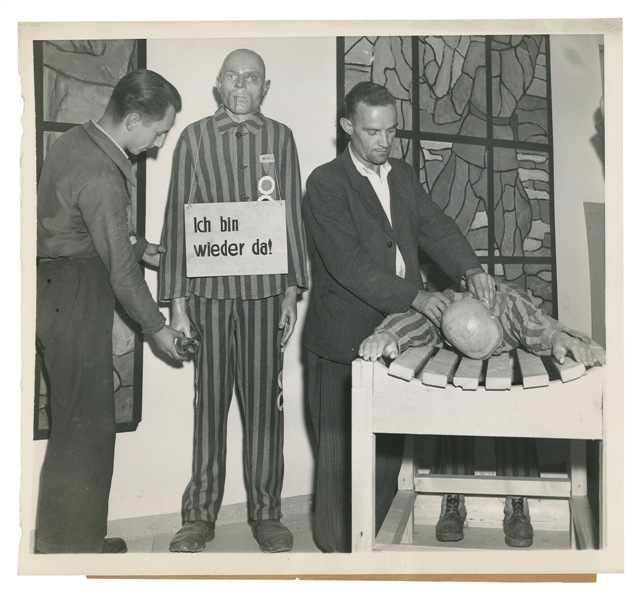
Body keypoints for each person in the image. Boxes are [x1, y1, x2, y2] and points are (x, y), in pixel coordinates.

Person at [302, 81, 496, 553]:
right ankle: (335, 560)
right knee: (337, 458)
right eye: (372, 132)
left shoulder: (404, 176)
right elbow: (347, 264)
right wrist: (415, 297)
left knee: (383, 457)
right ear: (348, 127)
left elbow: (436, 227)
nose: (384, 142)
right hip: (340, 339)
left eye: (391, 131)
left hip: (395, 339)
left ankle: (375, 558)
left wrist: (470, 267)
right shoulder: (325, 183)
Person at [159, 49, 308, 554]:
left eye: (252, 78)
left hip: (267, 296)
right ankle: (198, 515)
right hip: (210, 298)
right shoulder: (194, 138)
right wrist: (177, 305)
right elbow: (179, 221)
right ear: (217, 84)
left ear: (265, 87)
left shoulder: (281, 138)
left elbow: (291, 219)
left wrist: (291, 292)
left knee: (266, 408)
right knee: (210, 406)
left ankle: (266, 512)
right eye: (232, 76)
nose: (241, 85)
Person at [36, 69, 186, 554]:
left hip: (58, 286)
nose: (159, 143)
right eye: (159, 131)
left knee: (75, 424)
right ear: (135, 119)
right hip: (78, 291)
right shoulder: (104, 174)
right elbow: (121, 275)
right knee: (87, 429)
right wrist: (159, 329)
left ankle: (71, 540)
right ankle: (73, 553)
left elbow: (87, 224)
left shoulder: (77, 141)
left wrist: (144, 247)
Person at [358, 280, 599, 547]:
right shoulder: (444, 310)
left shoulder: (506, 303)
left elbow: (535, 324)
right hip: (459, 364)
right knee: (454, 396)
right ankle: (453, 495)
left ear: (493, 315)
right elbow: (414, 322)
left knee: (512, 403)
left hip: (509, 366)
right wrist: (388, 336)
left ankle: (517, 501)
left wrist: (559, 338)